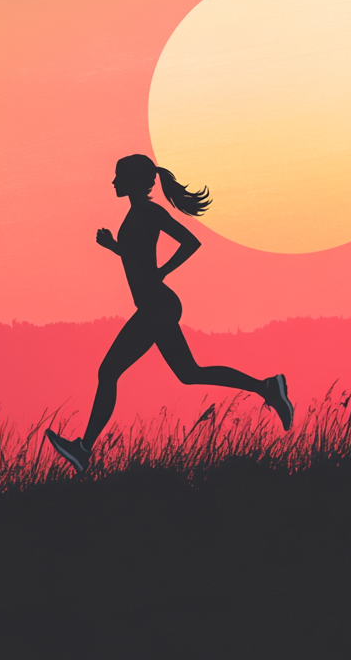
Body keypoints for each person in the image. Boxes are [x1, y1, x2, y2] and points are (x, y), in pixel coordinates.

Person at [45, 154, 291, 474]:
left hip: (156, 306)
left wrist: (162, 272)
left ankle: (82, 449)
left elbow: (190, 242)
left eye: (119, 176)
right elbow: (137, 258)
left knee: (108, 372)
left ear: (134, 181)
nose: (114, 182)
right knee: (189, 373)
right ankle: (267, 387)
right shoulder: (136, 214)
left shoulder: (148, 211)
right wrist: (114, 248)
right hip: (153, 306)